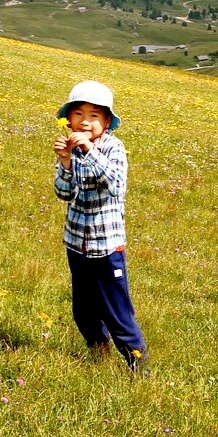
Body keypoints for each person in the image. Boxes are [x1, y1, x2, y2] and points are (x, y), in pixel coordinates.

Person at [52, 80, 148, 374]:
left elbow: (115, 186)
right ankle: (100, 355)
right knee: (83, 311)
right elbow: (64, 194)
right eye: (78, 114)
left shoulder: (113, 148)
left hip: (106, 247)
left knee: (117, 311)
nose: (85, 122)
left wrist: (89, 151)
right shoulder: (69, 149)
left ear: (107, 122)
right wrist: (66, 163)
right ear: (69, 120)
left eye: (94, 116)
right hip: (76, 243)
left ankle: (138, 364)